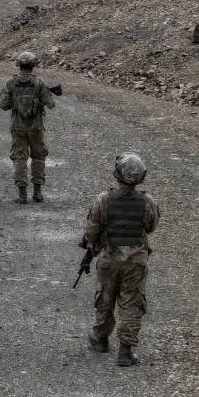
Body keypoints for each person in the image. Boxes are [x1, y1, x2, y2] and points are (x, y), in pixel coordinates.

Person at [84, 153, 160, 367]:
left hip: (109, 257)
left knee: (105, 298)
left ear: (117, 174)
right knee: (131, 302)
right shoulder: (147, 201)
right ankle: (125, 352)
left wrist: (93, 245)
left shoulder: (103, 199)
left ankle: (101, 339)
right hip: (136, 261)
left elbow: (92, 230)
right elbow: (151, 226)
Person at [0, 51, 56, 204]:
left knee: (20, 158)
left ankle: (22, 195)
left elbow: (3, 105)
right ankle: (37, 193)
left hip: (18, 127)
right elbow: (51, 104)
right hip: (36, 127)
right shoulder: (39, 83)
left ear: (19, 65)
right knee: (38, 157)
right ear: (33, 66)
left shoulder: (11, 83)